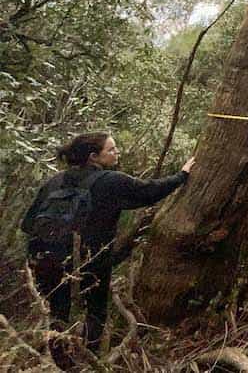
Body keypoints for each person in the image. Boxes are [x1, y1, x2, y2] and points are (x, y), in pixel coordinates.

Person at [22, 131, 194, 361]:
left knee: (57, 311)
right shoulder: (111, 180)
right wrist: (182, 175)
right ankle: (91, 360)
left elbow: (28, 223)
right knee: (96, 310)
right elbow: (149, 192)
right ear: (94, 157)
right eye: (111, 150)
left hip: (46, 258)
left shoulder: (54, 181)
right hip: (91, 259)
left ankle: (58, 360)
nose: (117, 152)